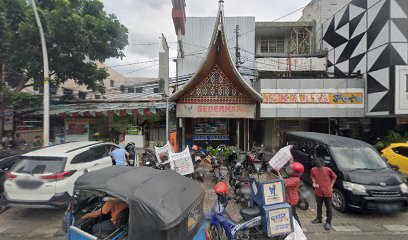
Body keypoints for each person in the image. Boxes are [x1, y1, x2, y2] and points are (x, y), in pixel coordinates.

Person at [274, 162, 304, 227]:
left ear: (296, 172)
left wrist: (278, 171)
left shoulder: (295, 180)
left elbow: (282, 181)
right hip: (290, 198)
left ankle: (298, 227)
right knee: (292, 213)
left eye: (291, 170)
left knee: (293, 214)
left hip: (291, 200)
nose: (289, 170)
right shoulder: (293, 177)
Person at [311, 158, 337, 231]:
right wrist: (313, 182)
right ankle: (319, 219)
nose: (319, 168)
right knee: (319, 206)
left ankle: (328, 222)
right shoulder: (313, 170)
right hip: (318, 191)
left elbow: (334, 177)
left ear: (323, 164)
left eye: (320, 166)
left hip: (327, 192)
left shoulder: (328, 170)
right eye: (318, 166)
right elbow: (312, 176)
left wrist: (331, 186)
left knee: (328, 207)